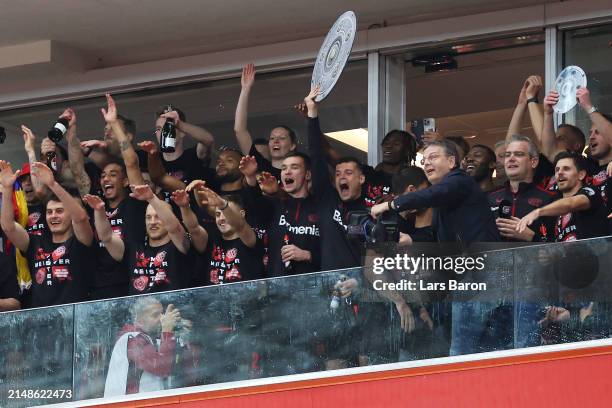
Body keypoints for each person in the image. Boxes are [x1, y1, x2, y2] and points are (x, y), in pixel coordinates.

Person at [0, 161, 94, 307]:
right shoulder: (35, 243)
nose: (53, 216)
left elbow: (81, 218)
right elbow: (8, 227)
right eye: (49, 212)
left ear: (71, 216)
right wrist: (7, 189)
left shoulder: (80, 242)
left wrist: (52, 185)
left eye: (60, 211)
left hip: (76, 321)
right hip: (42, 322)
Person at [371, 140, 500, 245]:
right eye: (424, 160)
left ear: (451, 161)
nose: (426, 163)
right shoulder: (444, 193)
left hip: (484, 264)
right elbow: (435, 237)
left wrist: (389, 205)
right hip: (465, 265)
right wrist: (411, 239)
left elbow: (432, 194)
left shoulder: (460, 179)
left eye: (433, 157)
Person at [84, 184, 191, 295]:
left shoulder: (179, 246)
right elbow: (107, 237)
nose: (152, 222)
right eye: (148, 217)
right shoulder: (133, 249)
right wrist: (99, 211)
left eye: (158, 216)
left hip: (173, 310)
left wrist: (152, 198)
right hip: (140, 311)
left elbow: (174, 228)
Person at [240, 152, 320, 276]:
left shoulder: (321, 208)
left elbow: (333, 250)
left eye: (294, 167)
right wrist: (250, 177)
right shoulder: (274, 204)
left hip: (312, 289)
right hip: (277, 288)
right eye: (284, 168)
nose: (287, 172)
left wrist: (308, 255)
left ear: (308, 175)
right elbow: (252, 207)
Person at [517, 152, 610, 241]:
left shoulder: (591, 191)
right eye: (557, 170)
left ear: (581, 175)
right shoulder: (554, 204)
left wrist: (538, 212)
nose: (560, 173)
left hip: (594, 256)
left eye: (566, 169)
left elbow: (571, 203)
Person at [104, 297, 180, 396]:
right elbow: (162, 368)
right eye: (155, 315)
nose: (162, 319)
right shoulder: (132, 338)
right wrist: (167, 330)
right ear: (139, 320)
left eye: (162, 314)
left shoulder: (146, 339)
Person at [488, 135, 558, 243]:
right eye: (507, 155)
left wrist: (531, 237)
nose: (511, 159)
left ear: (533, 162)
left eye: (518, 154)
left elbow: (558, 246)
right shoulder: (489, 198)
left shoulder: (550, 199)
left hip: (533, 259)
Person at [234, 63, 297, 180]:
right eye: (272, 138)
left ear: (292, 145)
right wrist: (245, 89)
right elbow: (240, 130)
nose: (276, 141)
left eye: (282, 138)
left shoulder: (298, 173)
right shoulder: (260, 166)